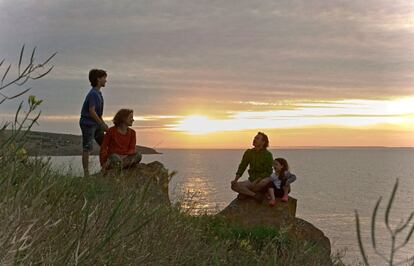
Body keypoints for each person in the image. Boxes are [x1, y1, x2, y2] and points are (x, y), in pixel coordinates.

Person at [79, 69, 108, 177]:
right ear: (98, 79)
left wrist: (104, 125)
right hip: (88, 123)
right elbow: (92, 111)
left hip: (96, 123)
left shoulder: (99, 94)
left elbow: (99, 114)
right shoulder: (93, 94)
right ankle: (86, 174)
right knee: (87, 147)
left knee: (105, 144)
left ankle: (105, 167)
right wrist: (101, 124)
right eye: (104, 78)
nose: (106, 80)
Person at [230, 132, 273, 201]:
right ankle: (254, 195)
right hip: (251, 180)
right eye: (254, 138)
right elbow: (242, 166)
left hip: (262, 179)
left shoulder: (267, 155)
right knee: (234, 186)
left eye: (257, 138)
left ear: (263, 142)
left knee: (263, 182)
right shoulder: (249, 152)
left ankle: (245, 193)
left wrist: (257, 180)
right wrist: (235, 180)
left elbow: (268, 171)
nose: (254, 140)